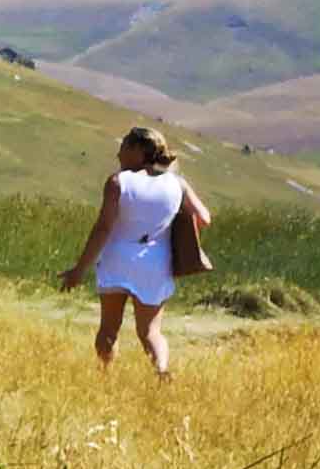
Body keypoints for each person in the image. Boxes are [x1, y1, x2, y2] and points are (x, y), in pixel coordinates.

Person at [61, 124, 209, 378]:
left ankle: (104, 376)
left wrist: (79, 269)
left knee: (109, 328)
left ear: (138, 150)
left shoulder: (118, 182)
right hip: (155, 261)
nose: (118, 155)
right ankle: (161, 371)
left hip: (117, 258)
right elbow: (204, 218)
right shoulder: (178, 184)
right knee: (150, 331)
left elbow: (103, 228)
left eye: (122, 148)